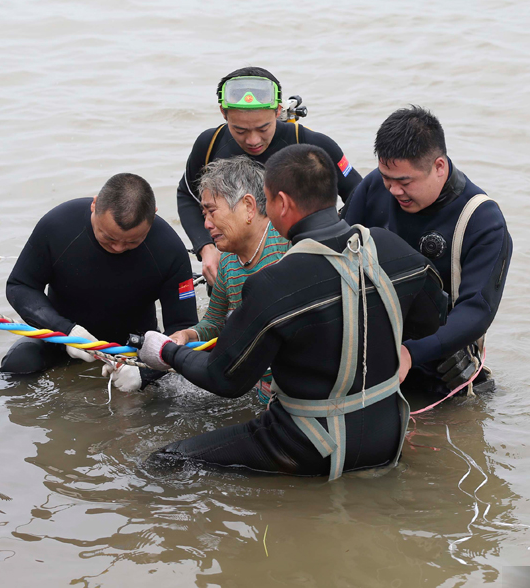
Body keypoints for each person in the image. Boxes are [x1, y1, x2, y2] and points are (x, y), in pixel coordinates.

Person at [138, 144, 447, 479]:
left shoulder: (273, 282)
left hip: (312, 446)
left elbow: (223, 378)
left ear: (281, 204)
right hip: (387, 436)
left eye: (268, 201)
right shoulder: (392, 248)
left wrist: (167, 351)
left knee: (168, 459)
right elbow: (433, 319)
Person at [343, 106, 512, 396]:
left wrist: (410, 353)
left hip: (438, 365)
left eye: (405, 182)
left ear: (439, 167)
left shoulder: (482, 220)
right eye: (387, 178)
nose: (394, 190)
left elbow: (477, 310)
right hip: (372, 348)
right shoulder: (375, 186)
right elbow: (337, 251)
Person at [0, 173, 198, 392]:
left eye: (133, 241)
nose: (118, 248)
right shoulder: (58, 225)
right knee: (17, 365)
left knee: (166, 392)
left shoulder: (169, 249)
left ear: (153, 217)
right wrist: (66, 331)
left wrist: (144, 374)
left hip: (132, 348)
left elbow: (183, 330)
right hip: (62, 338)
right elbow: (20, 285)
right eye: (109, 238)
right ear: (94, 205)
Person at [177, 66, 363, 289]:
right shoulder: (209, 144)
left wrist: (338, 245)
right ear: (223, 113)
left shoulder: (314, 145)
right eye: (240, 130)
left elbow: (360, 194)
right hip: (234, 275)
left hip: (304, 270)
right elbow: (187, 195)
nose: (253, 140)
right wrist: (205, 247)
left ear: (278, 111)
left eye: (263, 128)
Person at [168, 156, 290, 402]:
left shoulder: (288, 242)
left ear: (248, 206)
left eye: (211, 211)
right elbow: (214, 324)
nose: (206, 224)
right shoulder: (227, 264)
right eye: (203, 214)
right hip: (266, 393)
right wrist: (186, 336)